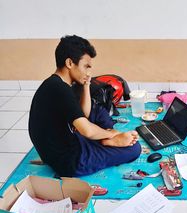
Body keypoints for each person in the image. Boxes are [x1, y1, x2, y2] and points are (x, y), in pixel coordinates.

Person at [29, 35, 141, 177]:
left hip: (56, 150)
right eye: (86, 66)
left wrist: (86, 85)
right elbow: (87, 131)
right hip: (72, 161)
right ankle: (108, 140)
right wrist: (113, 134)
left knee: (97, 111)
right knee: (134, 149)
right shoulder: (61, 90)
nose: (89, 72)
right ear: (70, 63)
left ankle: (106, 139)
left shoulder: (53, 84)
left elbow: (84, 115)